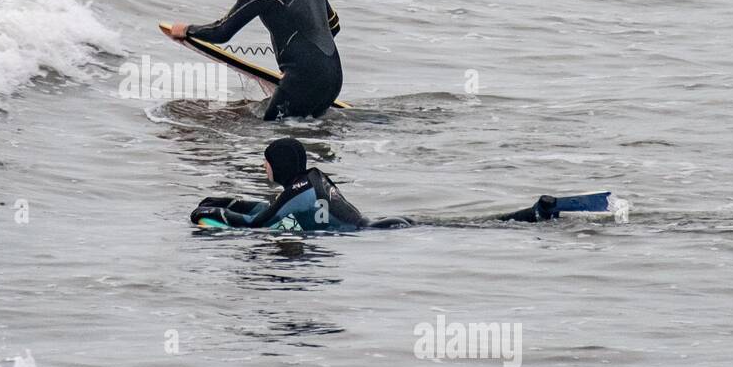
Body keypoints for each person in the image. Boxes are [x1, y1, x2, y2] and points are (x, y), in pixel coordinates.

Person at [190, 138, 572, 232]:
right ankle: (533, 213)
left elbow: (257, 225)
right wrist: (228, 199)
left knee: (475, 226)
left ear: (279, 165)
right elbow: (269, 209)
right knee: (470, 223)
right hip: (382, 224)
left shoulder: (295, 194)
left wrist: (207, 211)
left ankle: (534, 215)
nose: (262, 166)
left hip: (379, 233)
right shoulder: (312, 179)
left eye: (266, 161)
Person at [166, 0, 342, 120]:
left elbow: (222, 31)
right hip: (334, 78)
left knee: (273, 139)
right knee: (310, 138)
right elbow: (334, 25)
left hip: (303, 81)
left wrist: (187, 29)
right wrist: (308, 65)